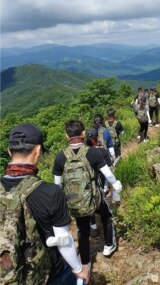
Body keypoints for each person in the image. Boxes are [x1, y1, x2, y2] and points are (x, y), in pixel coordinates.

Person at [0, 123, 88, 285]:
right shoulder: (50, 192)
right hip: (50, 275)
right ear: (38, 150)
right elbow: (64, 240)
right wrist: (78, 269)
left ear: (9, 151)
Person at [53, 120, 122, 270]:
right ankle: (108, 246)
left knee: (82, 230)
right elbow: (108, 174)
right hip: (95, 198)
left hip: (75, 202)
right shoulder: (93, 152)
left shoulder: (60, 157)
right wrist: (116, 185)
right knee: (106, 216)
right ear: (83, 133)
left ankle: (85, 262)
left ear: (66, 136)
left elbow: (57, 185)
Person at [85, 127, 121, 238]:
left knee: (90, 206)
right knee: (104, 208)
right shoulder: (102, 152)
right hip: (100, 184)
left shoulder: (83, 154)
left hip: (87, 186)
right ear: (97, 137)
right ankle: (109, 238)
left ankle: (94, 227)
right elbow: (109, 171)